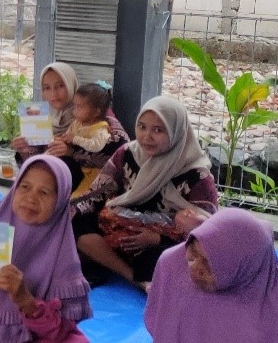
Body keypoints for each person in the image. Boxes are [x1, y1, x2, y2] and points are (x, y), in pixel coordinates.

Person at [71, 96, 219, 290]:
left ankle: (111, 265)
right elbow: (97, 193)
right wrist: (69, 210)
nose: (146, 136)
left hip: (160, 244)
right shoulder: (127, 154)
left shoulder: (196, 175)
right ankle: (135, 279)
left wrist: (157, 239)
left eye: (158, 130)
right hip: (119, 230)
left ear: (176, 132)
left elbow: (208, 232)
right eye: (142, 127)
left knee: (171, 259)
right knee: (75, 224)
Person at [0, 155, 92, 343]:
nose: (31, 198)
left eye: (44, 192)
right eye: (25, 187)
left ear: (60, 201)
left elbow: (59, 333)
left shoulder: (63, 256)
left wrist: (26, 301)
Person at [145, 208, 278, 343]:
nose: (195, 268)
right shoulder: (174, 265)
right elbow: (160, 324)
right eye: (193, 256)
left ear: (243, 267)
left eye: (209, 264)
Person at [12, 63, 127, 195]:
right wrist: (25, 150)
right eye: (47, 88)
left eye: (60, 86)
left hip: (90, 190)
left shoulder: (96, 115)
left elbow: (117, 154)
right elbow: (38, 164)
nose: (53, 93)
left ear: (71, 84)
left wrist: (71, 152)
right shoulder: (40, 116)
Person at [63, 84, 114, 154]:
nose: (74, 111)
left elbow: (96, 146)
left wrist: (75, 139)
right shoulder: (76, 123)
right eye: (74, 105)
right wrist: (62, 139)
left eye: (79, 107)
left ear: (96, 112)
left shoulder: (100, 129)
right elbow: (68, 135)